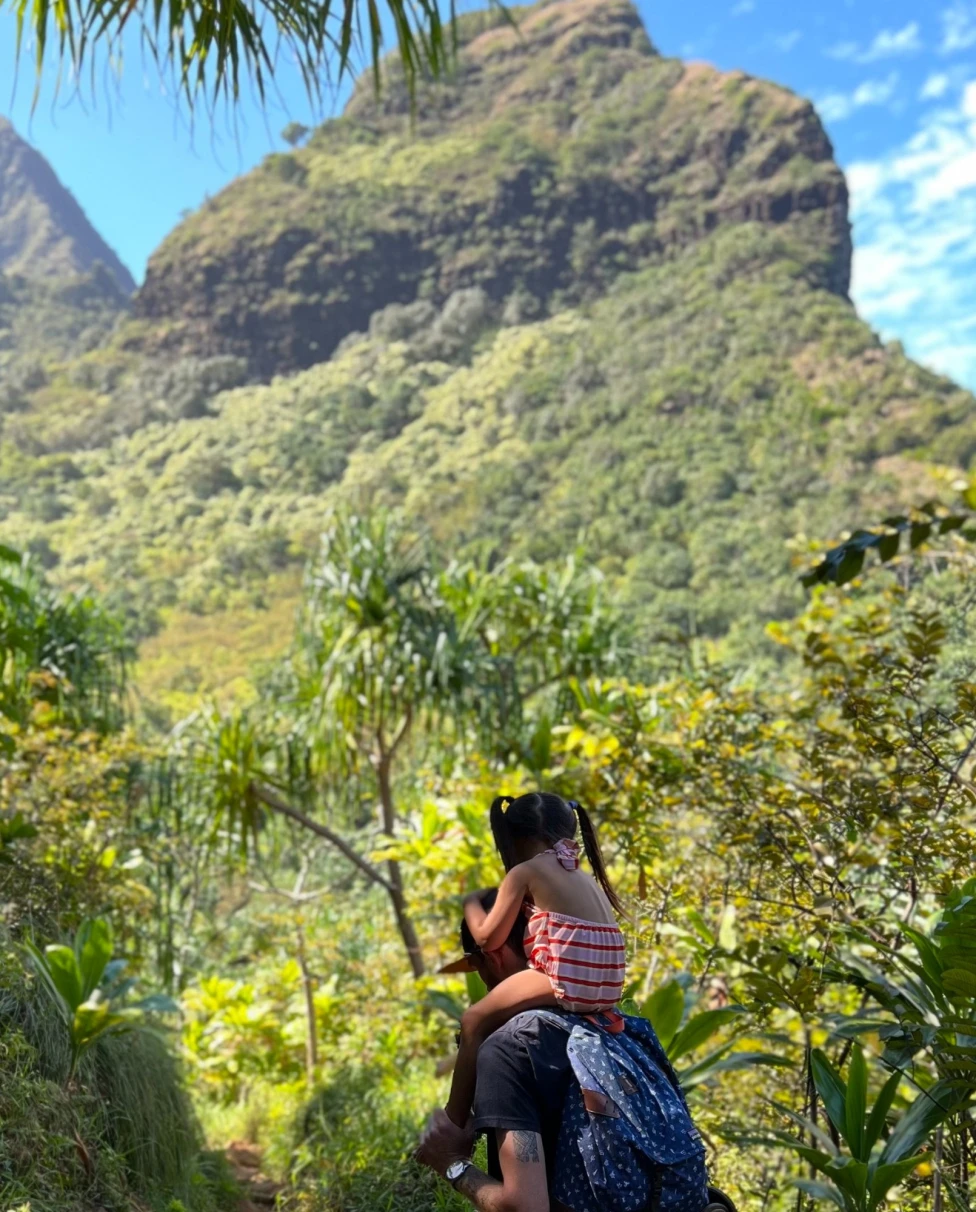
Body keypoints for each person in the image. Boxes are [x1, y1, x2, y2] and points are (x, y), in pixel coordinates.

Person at [417, 886, 726, 1212]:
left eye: (474, 963)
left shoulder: (508, 1048)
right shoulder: (615, 1024)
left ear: (492, 955)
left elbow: (524, 1207)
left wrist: (453, 1164)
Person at [444, 792, 627, 1130]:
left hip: (568, 980)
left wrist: (470, 902)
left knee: (472, 1020)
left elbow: (488, 939)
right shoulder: (583, 876)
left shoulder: (525, 872)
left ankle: (452, 1125)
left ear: (516, 837)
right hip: (607, 987)